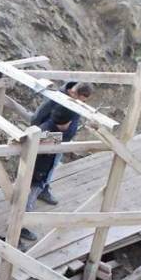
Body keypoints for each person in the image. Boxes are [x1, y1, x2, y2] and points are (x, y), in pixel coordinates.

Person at [29, 81, 93, 206]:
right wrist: (48, 138)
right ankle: (31, 200)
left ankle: (43, 188)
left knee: (49, 167)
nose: (83, 103)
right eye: (82, 100)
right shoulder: (59, 100)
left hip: (57, 138)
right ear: (74, 93)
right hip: (51, 137)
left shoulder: (72, 100)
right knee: (42, 169)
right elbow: (39, 116)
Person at [20, 105, 77, 242]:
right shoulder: (47, 133)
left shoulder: (50, 128)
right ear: (66, 122)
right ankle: (20, 230)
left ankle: (20, 225)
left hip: (38, 173)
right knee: (27, 203)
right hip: (36, 174)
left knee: (27, 200)